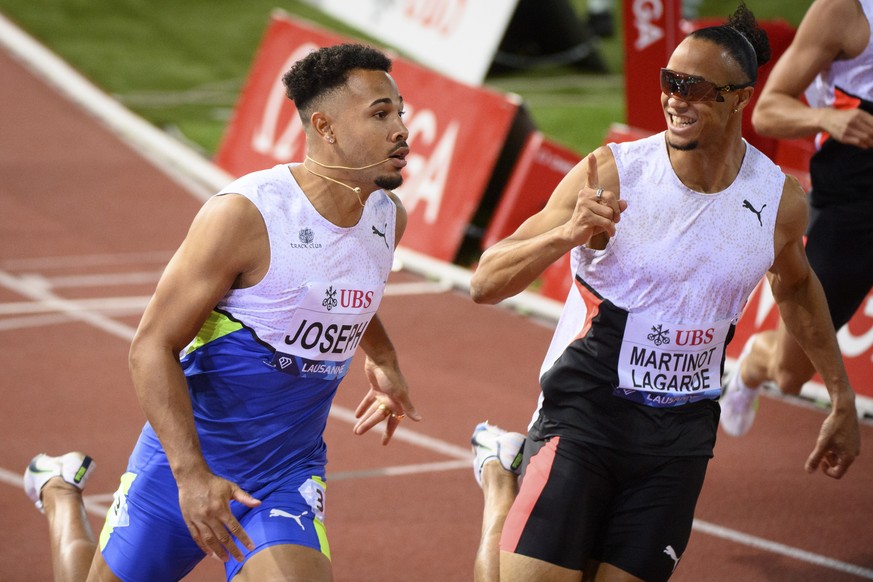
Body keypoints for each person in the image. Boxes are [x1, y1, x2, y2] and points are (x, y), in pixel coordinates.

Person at [468, 3, 861, 580]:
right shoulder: (614, 172)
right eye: (670, 82)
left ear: (739, 99)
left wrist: (841, 396)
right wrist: (567, 234)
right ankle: (501, 484)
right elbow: (484, 282)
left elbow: (797, 288)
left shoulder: (778, 202)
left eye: (695, 88)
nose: (676, 98)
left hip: (679, 439)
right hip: (586, 413)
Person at [23, 42, 420, 582]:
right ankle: (60, 491)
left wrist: (385, 359)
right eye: (381, 114)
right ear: (325, 127)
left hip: (286, 473)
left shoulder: (386, 218)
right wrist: (191, 476)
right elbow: (150, 346)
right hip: (184, 466)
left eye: (400, 111)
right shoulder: (245, 216)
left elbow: (343, 285)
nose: (401, 129)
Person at [720, 0, 873, 437]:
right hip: (851, 209)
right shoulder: (844, 13)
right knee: (790, 375)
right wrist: (827, 118)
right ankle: (753, 364)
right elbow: (767, 110)